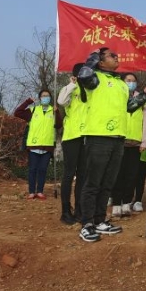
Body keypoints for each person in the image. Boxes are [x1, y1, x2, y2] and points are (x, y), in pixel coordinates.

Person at [77, 48, 146, 243]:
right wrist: (93, 56)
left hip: (118, 137)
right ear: (101, 62)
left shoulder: (121, 84)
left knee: (107, 182)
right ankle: (86, 224)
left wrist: (143, 96)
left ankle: (100, 220)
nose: (116, 57)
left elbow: (129, 107)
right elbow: (83, 75)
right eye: (111, 55)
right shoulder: (94, 78)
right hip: (98, 135)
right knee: (93, 182)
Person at [14, 89, 63, 201]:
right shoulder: (34, 110)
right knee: (32, 169)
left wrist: (57, 112)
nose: (45, 97)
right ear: (40, 98)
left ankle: (40, 191)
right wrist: (28, 102)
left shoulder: (53, 111)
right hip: (33, 145)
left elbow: (59, 125)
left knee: (43, 169)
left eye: (47, 96)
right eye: (43, 96)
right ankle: (32, 192)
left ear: (50, 98)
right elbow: (18, 112)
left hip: (47, 145)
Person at [111, 72, 146, 218]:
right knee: (118, 174)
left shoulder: (142, 99)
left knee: (131, 175)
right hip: (120, 141)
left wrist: (144, 141)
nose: (131, 83)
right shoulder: (117, 96)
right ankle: (116, 203)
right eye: (128, 80)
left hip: (135, 143)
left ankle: (127, 202)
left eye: (133, 81)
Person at [57, 63, 86, 224]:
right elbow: (61, 101)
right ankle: (66, 211)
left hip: (87, 137)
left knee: (83, 175)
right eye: (81, 72)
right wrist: (72, 84)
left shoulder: (91, 90)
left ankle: (80, 209)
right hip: (71, 137)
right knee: (69, 174)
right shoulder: (70, 89)